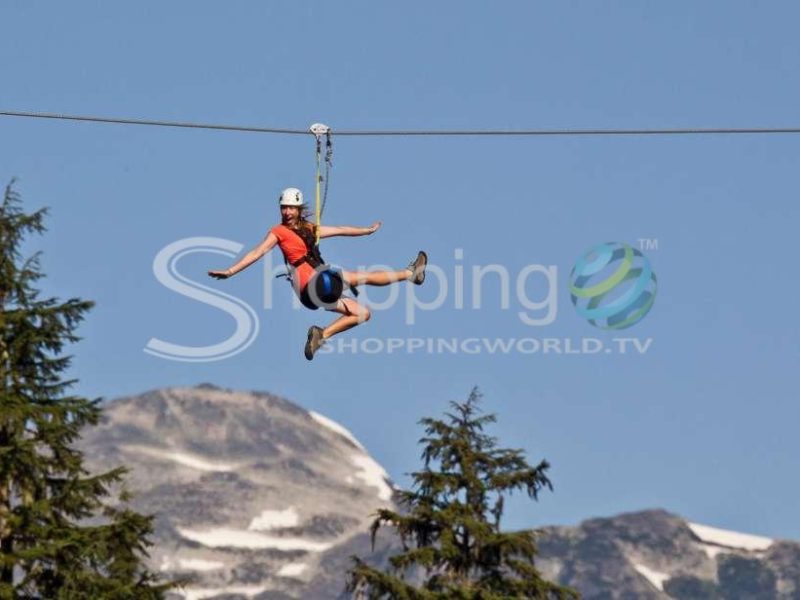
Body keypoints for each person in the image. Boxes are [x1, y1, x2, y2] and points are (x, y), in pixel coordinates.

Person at [208, 187, 427, 360]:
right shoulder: (278, 232)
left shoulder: (310, 229)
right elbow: (258, 252)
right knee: (360, 277)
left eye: (291, 208)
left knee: (363, 314)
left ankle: (321, 335)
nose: (286, 212)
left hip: (315, 292)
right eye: (283, 207)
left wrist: (366, 231)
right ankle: (410, 274)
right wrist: (230, 271)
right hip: (313, 285)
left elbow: (340, 229)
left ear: (299, 209)